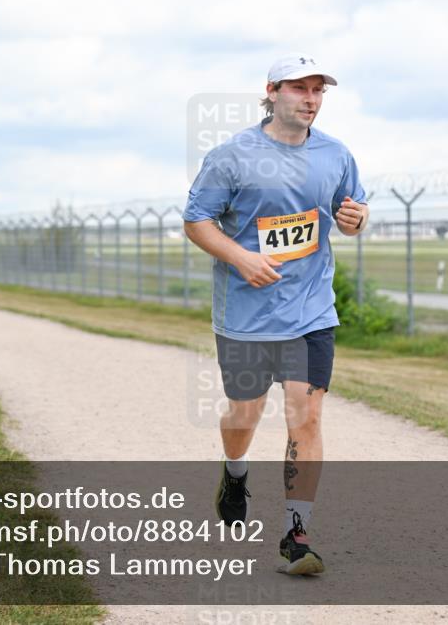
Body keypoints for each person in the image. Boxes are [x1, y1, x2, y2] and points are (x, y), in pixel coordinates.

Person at [183, 54, 369, 576]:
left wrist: (357, 218)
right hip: (245, 315)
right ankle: (235, 472)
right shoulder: (233, 156)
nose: (310, 99)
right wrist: (242, 257)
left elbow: (351, 212)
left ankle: (295, 533)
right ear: (272, 91)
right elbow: (196, 220)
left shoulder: (336, 154)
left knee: (305, 416)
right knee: (243, 415)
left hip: (311, 311)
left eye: (318, 90)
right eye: (299, 88)